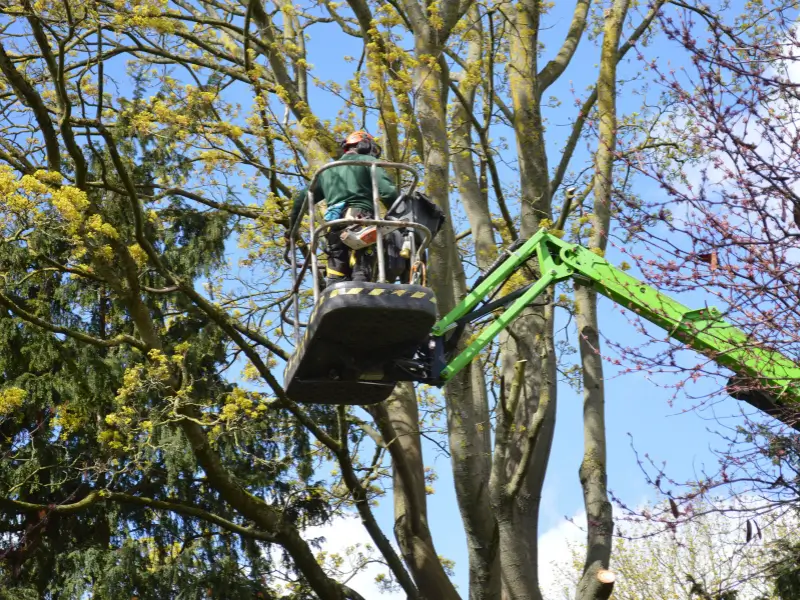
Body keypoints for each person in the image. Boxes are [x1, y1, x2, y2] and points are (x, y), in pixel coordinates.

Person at [288, 131, 399, 285]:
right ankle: (361, 298)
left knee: (336, 270)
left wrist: (291, 229)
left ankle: (336, 299)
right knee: (362, 267)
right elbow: (389, 192)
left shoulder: (326, 171)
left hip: (333, 224)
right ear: (365, 145)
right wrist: (399, 218)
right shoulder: (368, 162)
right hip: (361, 219)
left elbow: (300, 201)